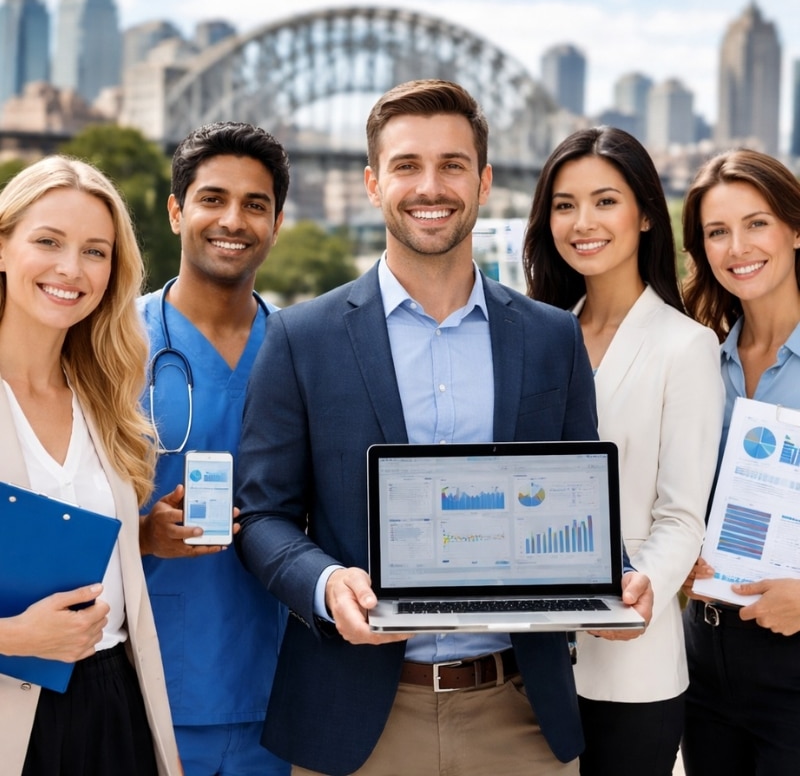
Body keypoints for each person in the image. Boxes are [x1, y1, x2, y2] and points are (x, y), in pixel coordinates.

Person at [235, 79, 653, 776]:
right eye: (407, 166)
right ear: (373, 183)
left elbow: (575, 507)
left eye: (453, 165)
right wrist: (327, 582)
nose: (431, 186)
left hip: (518, 718)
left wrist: (619, 575)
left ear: (484, 181)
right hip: (355, 722)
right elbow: (265, 516)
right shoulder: (301, 338)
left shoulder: (552, 339)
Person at [523, 127, 724, 776]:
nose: (583, 222)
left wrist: (644, 587)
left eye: (604, 201)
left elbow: (681, 514)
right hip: (528, 661)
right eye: (563, 204)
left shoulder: (686, 348)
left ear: (644, 213)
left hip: (631, 662)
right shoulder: (535, 337)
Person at [0, 155, 180, 775]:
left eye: (95, 251)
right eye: (48, 241)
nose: (70, 269)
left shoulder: (104, 400)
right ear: (2, 248)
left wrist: (147, 534)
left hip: (114, 706)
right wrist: (14, 640)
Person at [138, 121, 290, 776]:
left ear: (276, 223)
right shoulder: (111, 343)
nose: (233, 219)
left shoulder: (303, 350)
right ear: (177, 211)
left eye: (255, 204)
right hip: (149, 680)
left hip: (280, 690)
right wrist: (142, 533)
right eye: (212, 199)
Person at [681, 149, 800, 776]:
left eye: (756, 223)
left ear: (795, 228)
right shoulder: (701, 360)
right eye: (717, 231)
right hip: (706, 655)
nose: (737, 247)